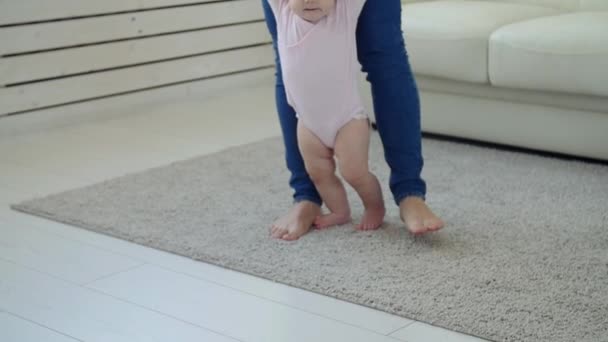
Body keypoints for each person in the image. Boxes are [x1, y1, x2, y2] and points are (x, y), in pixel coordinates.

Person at [263, 0, 444, 241]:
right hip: (308, 123)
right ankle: (307, 195)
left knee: (386, 56)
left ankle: (409, 193)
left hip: (346, 118)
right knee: (284, 55)